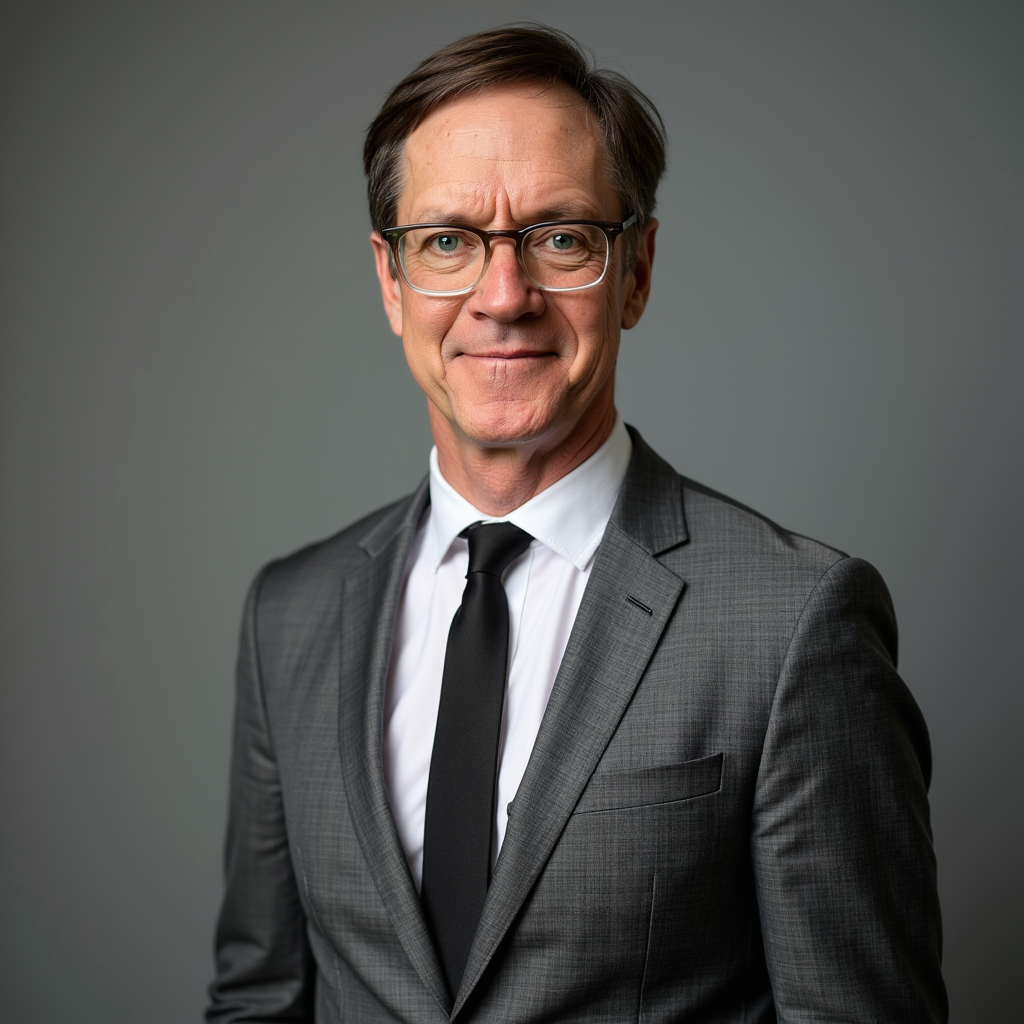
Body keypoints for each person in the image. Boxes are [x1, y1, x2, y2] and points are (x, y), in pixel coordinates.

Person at [207, 25, 946, 1023]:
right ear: (391, 279)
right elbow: (260, 999)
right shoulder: (287, 614)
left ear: (635, 269)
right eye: (447, 242)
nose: (502, 297)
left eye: (560, 237)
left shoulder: (795, 622)